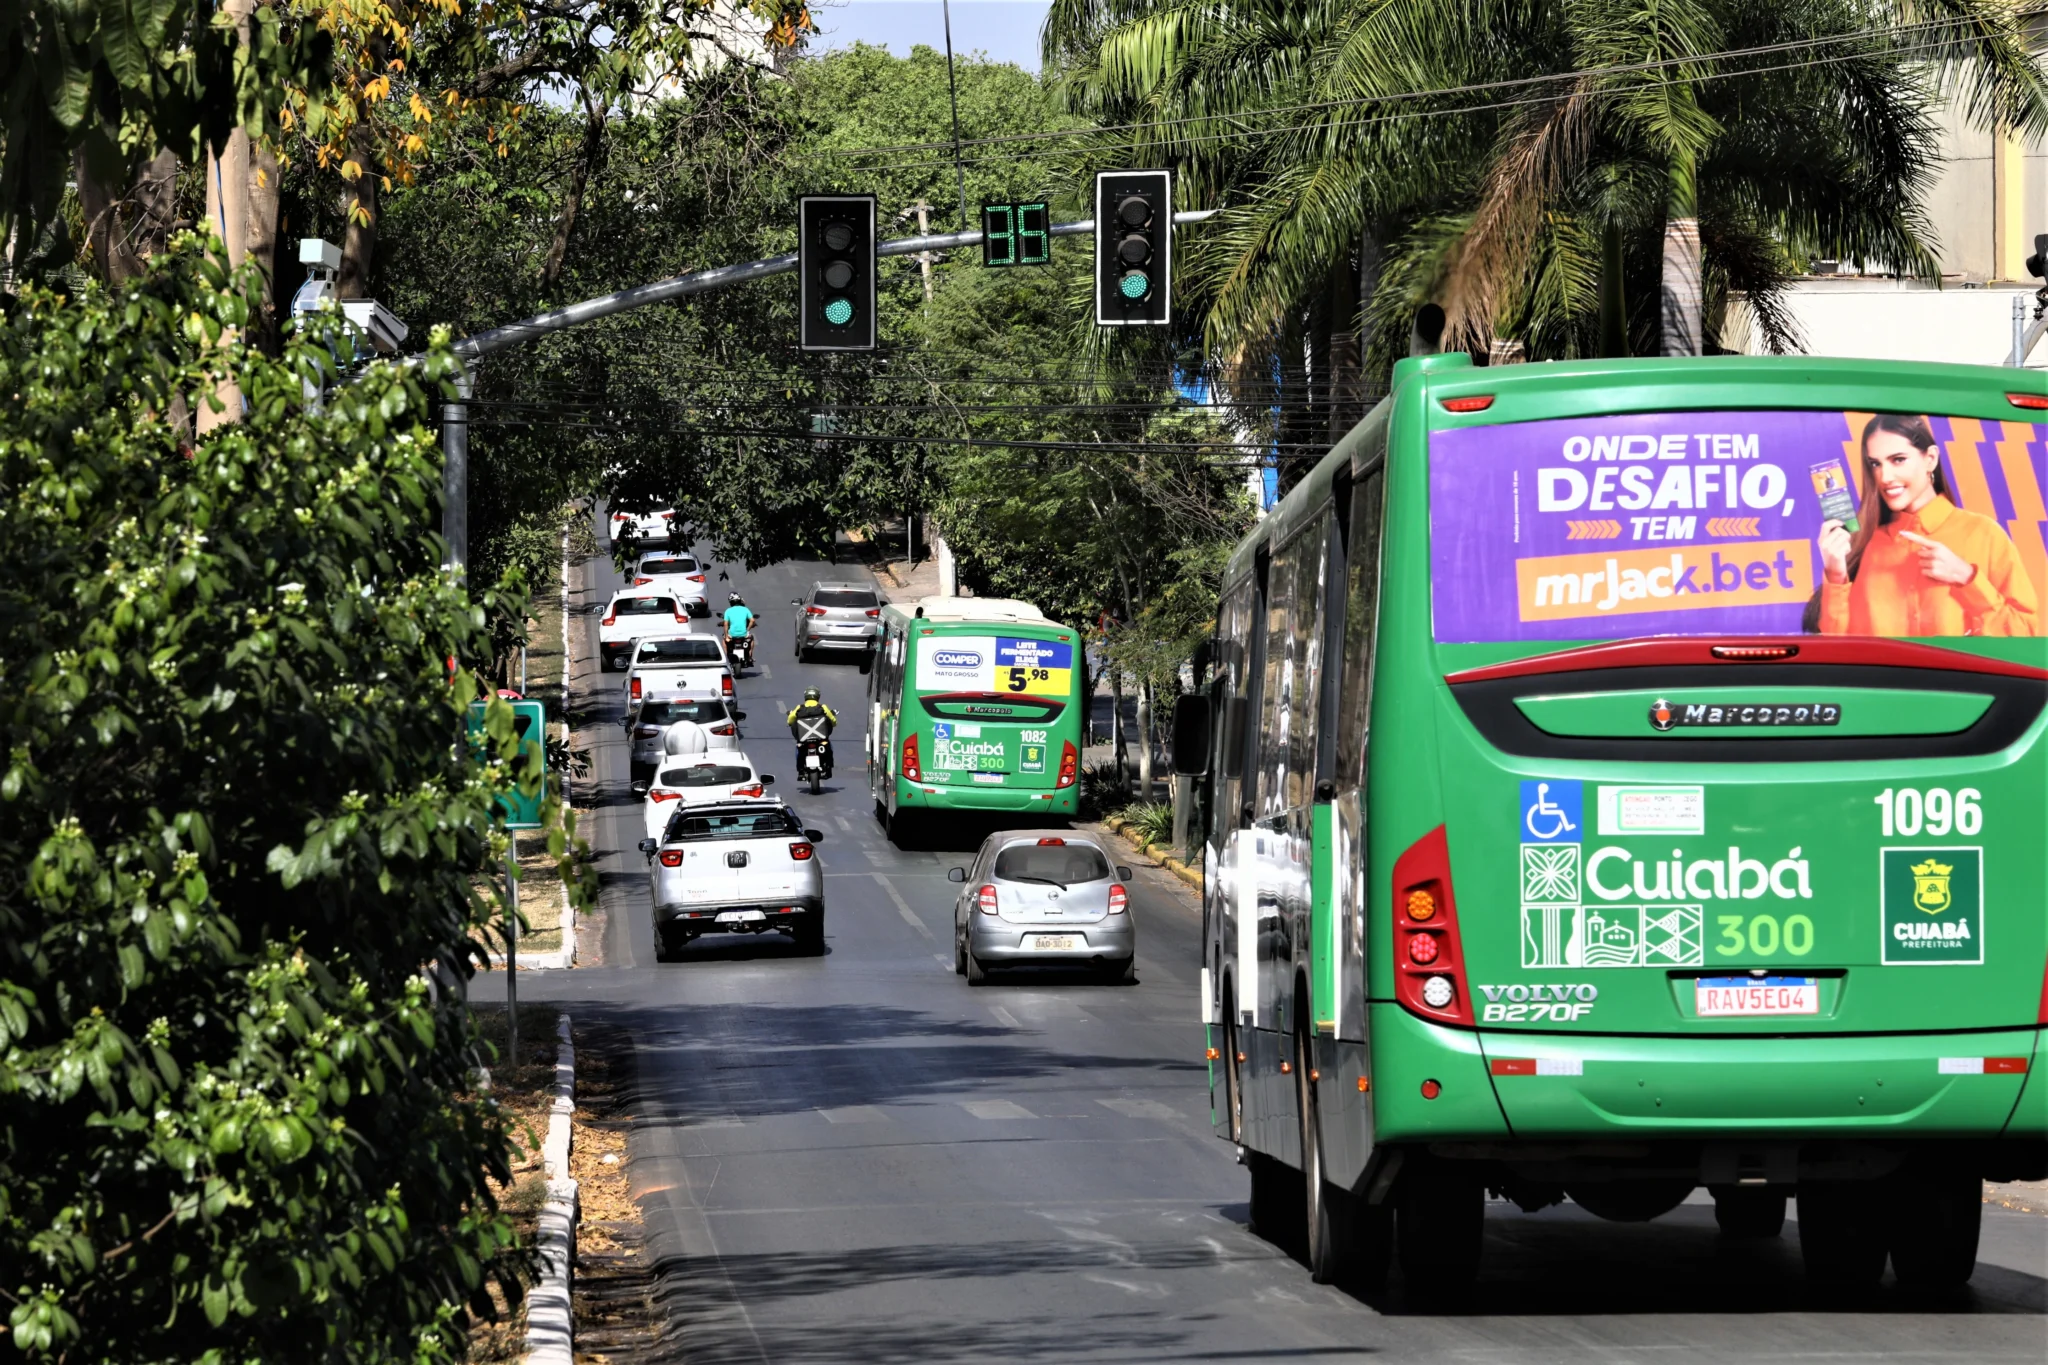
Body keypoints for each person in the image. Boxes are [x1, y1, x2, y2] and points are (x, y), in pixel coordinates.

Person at [1813, 413, 2039, 637]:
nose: (1885, 477)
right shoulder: (1864, 544)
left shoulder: (1984, 534)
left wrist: (1968, 579)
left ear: (1930, 459)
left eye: (1898, 459)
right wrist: (1835, 574)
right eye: (1875, 463)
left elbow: (2025, 634)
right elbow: (1840, 652)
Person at [786, 686, 839, 776]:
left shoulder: (799, 708)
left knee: (798, 748)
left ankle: (800, 771)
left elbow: (790, 720)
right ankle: (829, 768)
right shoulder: (823, 707)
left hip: (803, 739)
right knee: (829, 747)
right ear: (818, 696)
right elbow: (833, 721)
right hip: (821, 739)